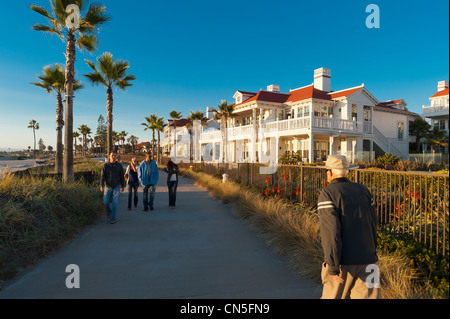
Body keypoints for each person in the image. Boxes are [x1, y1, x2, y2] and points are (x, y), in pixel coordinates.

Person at [317, 154, 380, 299]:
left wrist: (333, 266)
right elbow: (372, 223)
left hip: (343, 262)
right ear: (347, 172)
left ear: (331, 172)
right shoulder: (363, 191)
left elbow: (331, 232)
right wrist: (372, 251)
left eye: (327, 170)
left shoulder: (328, 194)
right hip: (368, 259)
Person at [100, 150, 125, 224]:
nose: (113, 157)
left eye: (115, 155)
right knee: (106, 202)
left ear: (116, 156)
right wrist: (101, 185)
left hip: (116, 187)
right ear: (109, 157)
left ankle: (113, 218)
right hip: (107, 187)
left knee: (114, 204)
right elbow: (102, 176)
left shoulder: (119, 165)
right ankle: (109, 212)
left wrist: (123, 185)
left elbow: (122, 177)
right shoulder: (105, 166)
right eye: (112, 155)